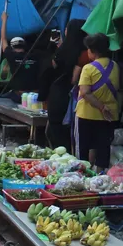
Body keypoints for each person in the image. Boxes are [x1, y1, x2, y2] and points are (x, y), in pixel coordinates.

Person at [40, 20, 88, 151]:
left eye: (66, 28)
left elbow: (52, 69)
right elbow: (74, 79)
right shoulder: (86, 52)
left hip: (59, 93)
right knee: (69, 130)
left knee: (55, 129)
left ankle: (58, 156)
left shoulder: (63, 49)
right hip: (76, 96)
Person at [75, 32, 120, 169]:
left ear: (92, 51)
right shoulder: (115, 66)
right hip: (109, 116)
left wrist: (101, 106)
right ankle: (99, 177)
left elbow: (85, 92)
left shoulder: (88, 68)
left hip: (87, 114)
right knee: (103, 148)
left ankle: (82, 177)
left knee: (83, 149)